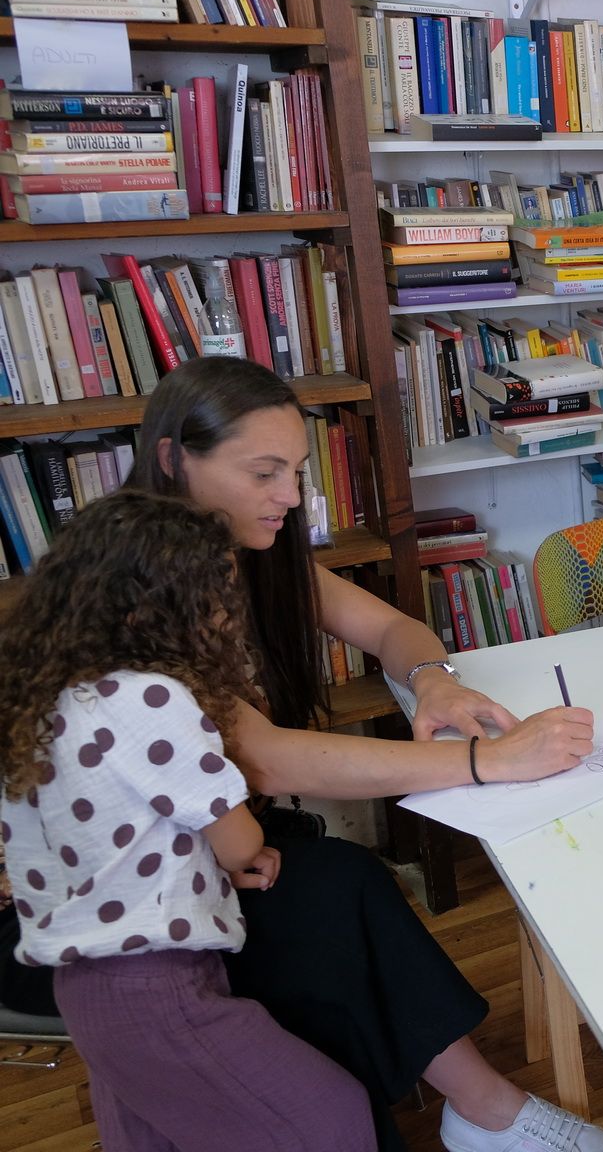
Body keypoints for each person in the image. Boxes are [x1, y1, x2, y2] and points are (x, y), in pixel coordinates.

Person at [117, 354, 603, 1152]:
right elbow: (266, 759)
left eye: (296, 472)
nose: (290, 496)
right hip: (140, 882)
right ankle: (481, 1109)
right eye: (263, 473)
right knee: (332, 890)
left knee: (339, 883)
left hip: (220, 843)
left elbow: (389, 627)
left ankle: (481, 1109)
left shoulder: (253, 551)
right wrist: (489, 761)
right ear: (176, 458)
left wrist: (432, 680)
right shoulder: (141, 585)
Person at [0, 490, 378, 1151]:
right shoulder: (152, 698)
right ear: (159, 610)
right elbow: (239, 839)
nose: (229, 615)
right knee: (328, 1116)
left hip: (82, 987)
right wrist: (244, 849)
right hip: (155, 982)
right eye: (216, 598)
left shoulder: (44, 699)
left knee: (155, 1137)